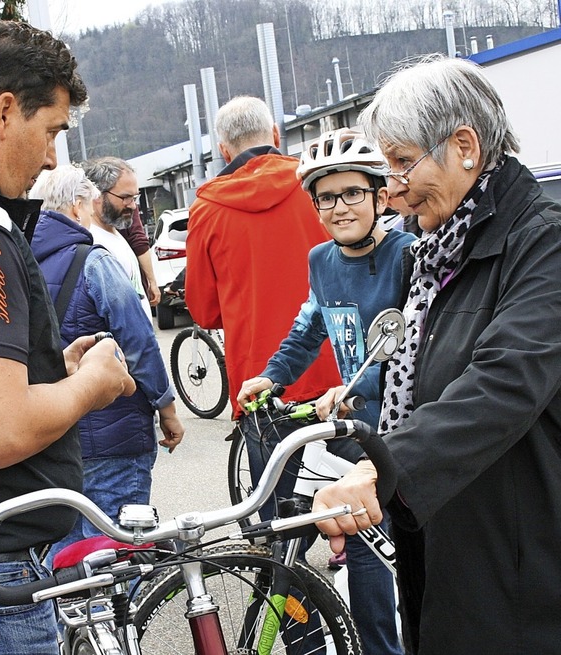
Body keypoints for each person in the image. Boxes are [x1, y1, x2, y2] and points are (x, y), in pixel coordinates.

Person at [312, 54, 561, 655]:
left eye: (401, 163)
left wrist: (385, 469)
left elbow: (504, 380)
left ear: (465, 146)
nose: (390, 188)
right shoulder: (437, 251)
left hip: (518, 559)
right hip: (445, 540)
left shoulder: (543, 240)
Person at [0, 21, 136, 653]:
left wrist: (45, 372)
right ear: (4, 111)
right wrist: (92, 387)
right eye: (52, 133)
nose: (51, 159)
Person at [238, 128, 413, 655]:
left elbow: (418, 355)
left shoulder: (409, 255)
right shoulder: (321, 260)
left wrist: (353, 387)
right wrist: (272, 376)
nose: (340, 207)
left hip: (393, 432)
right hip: (344, 428)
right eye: (326, 198)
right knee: (288, 530)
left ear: (380, 197)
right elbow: (309, 328)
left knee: (367, 557)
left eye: (353, 193)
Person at [185, 95, 342, 521]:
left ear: (223, 150)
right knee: (353, 496)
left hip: (262, 379)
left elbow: (202, 309)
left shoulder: (208, 209)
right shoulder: (320, 185)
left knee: (276, 511)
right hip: (338, 367)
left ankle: (285, 581)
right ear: (275, 135)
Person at [29, 165, 184, 562]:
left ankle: (72, 624)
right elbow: (138, 342)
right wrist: (166, 408)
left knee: (66, 551)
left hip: (53, 427)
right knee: (118, 548)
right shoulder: (92, 261)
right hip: (115, 429)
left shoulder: (19, 261)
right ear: (78, 205)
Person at [82, 156, 157, 322]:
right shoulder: (95, 245)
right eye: (125, 197)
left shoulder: (114, 232)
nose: (133, 205)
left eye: (134, 197)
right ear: (97, 195)